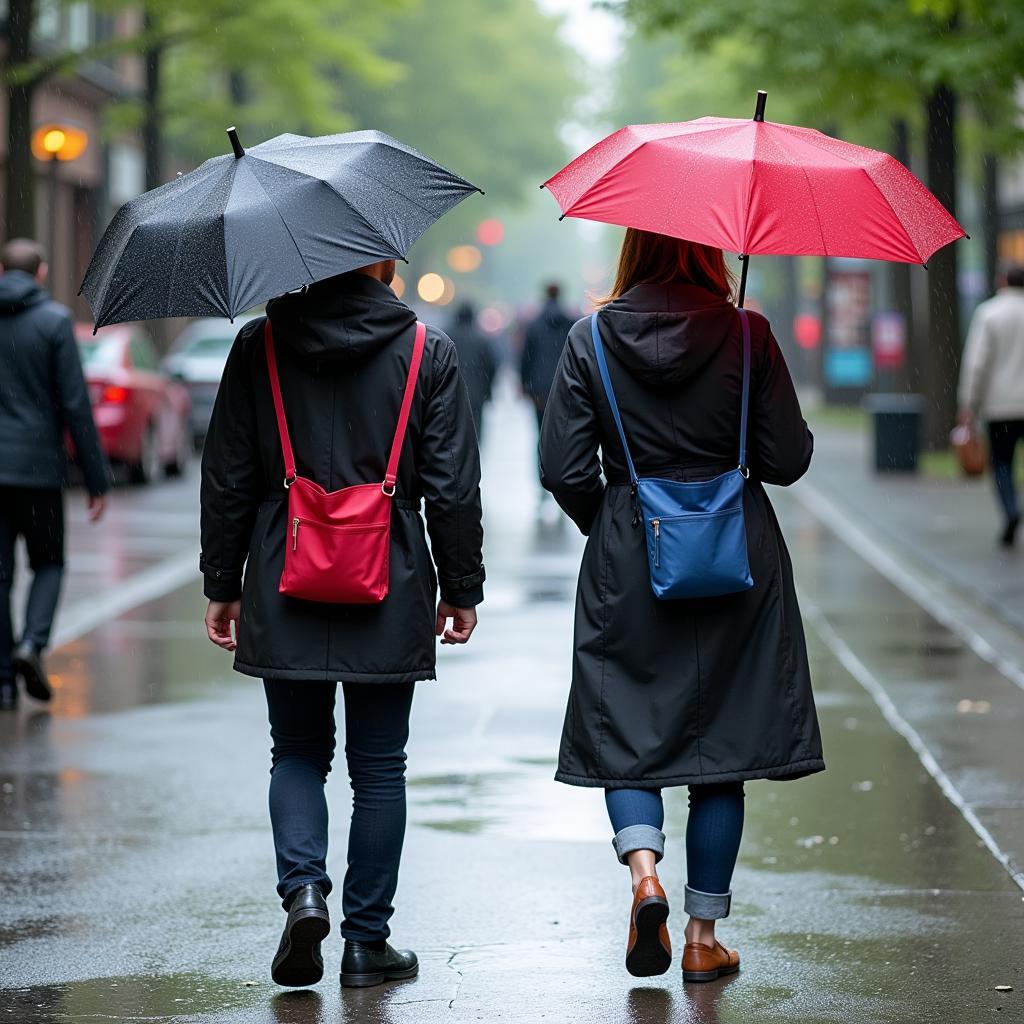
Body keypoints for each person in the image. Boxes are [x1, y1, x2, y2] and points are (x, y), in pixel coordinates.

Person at [539, 228, 823, 983]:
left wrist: (621, 527)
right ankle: (701, 936)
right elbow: (788, 460)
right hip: (736, 558)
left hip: (629, 557)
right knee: (720, 749)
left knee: (626, 724)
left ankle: (644, 877)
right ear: (710, 250)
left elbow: (562, 466)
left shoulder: (589, 338)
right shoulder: (747, 332)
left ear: (634, 251)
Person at [200, 262, 484, 989]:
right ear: (385, 263)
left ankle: (303, 891)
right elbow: (452, 485)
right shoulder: (428, 350)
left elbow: (228, 474)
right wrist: (462, 586)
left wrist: (223, 583)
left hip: (281, 572)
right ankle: (366, 943)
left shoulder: (259, 346)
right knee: (379, 767)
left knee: (295, 751)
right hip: (388, 578)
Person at [0, 238, 109, 712]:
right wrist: (95, 477)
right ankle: (32, 643)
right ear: (41, 272)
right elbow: (75, 405)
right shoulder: (54, 322)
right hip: (40, 472)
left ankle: (3, 681)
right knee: (48, 562)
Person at [958, 265, 1024, 548]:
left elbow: (977, 364)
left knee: (1002, 464)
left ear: (1001, 281)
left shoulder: (989, 313)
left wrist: (968, 405)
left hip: (1000, 408)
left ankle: (1011, 510)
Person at [521, 282, 574, 484]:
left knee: (541, 434)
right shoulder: (570, 323)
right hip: (565, 386)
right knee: (564, 436)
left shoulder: (534, 324)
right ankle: (563, 476)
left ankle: (543, 476)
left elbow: (526, 358)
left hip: (540, 390)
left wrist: (524, 383)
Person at [447, 301, 497, 439]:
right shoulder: (481, 339)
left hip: (451, 391)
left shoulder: (446, 335)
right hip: (475, 392)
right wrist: (488, 390)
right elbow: (491, 366)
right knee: (474, 430)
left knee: (451, 430)